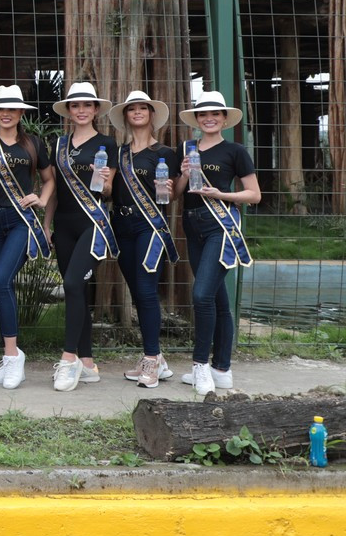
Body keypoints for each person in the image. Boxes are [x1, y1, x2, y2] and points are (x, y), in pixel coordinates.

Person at [0, 84, 55, 391]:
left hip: (21, 221)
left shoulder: (32, 143)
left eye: (11, 109)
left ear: (20, 113)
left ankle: (12, 357)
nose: (5, 114)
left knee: (3, 280)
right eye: (0, 109)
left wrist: (40, 199)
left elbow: (49, 180)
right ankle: (11, 356)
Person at [176, 90, 260, 396]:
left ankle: (200, 366)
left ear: (224, 118)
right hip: (192, 223)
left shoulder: (235, 150)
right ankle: (222, 369)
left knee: (201, 296)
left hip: (220, 226)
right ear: (197, 119)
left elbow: (254, 194)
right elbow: (175, 192)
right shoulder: (186, 148)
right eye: (203, 114)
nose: (209, 118)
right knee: (217, 298)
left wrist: (221, 195)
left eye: (215, 114)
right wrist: (184, 175)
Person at [43, 82, 117, 393]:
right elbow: (56, 193)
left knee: (72, 284)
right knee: (77, 291)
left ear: (96, 110)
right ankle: (88, 364)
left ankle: (69, 358)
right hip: (63, 224)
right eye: (76, 105)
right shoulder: (58, 145)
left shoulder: (107, 144)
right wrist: (46, 226)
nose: (82, 110)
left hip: (93, 224)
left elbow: (110, 192)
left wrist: (104, 181)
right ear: (69, 111)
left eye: (87, 105)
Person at [107, 90, 180, 390]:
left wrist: (171, 186)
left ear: (152, 115)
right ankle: (157, 358)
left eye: (143, 108)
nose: (137, 112)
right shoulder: (118, 153)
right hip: (121, 225)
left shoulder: (165, 153)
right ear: (125, 116)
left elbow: (171, 196)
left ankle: (151, 358)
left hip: (150, 226)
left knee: (148, 291)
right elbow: (108, 192)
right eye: (131, 108)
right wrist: (102, 181)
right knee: (137, 291)